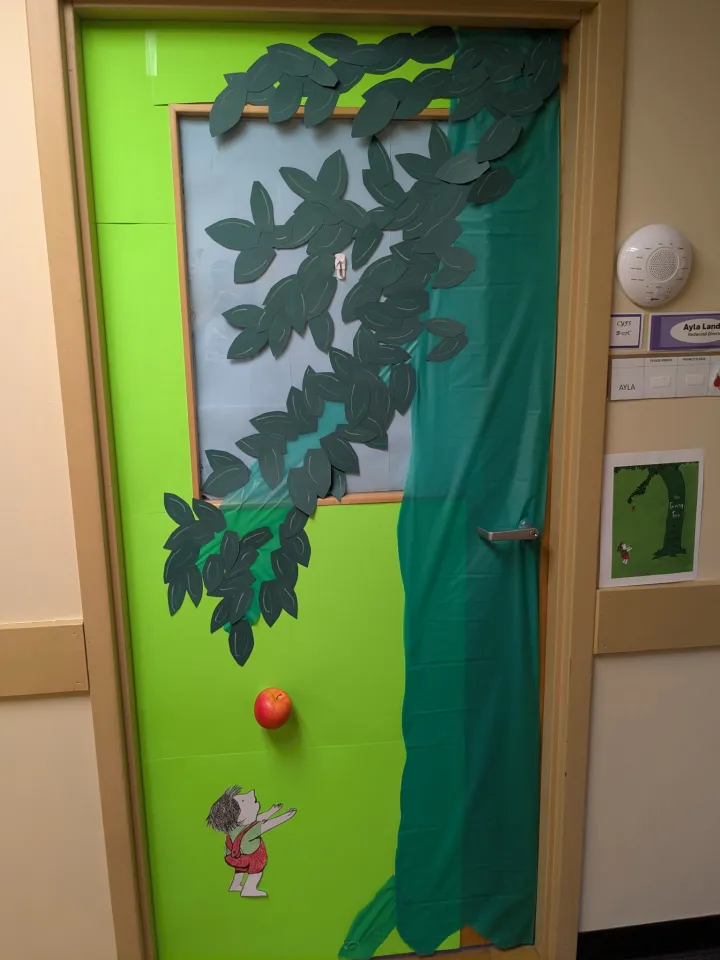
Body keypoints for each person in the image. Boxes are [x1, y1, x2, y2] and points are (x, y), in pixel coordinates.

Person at [206, 784, 296, 897]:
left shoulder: (234, 826)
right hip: (249, 857)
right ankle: (249, 889)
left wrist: (271, 811)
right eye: (243, 801)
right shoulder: (252, 831)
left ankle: (235, 885)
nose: (251, 793)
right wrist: (287, 815)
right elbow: (270, 824)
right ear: (240, 817)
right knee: (258, 863)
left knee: (241, 867)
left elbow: (257, 818)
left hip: (232, 857)